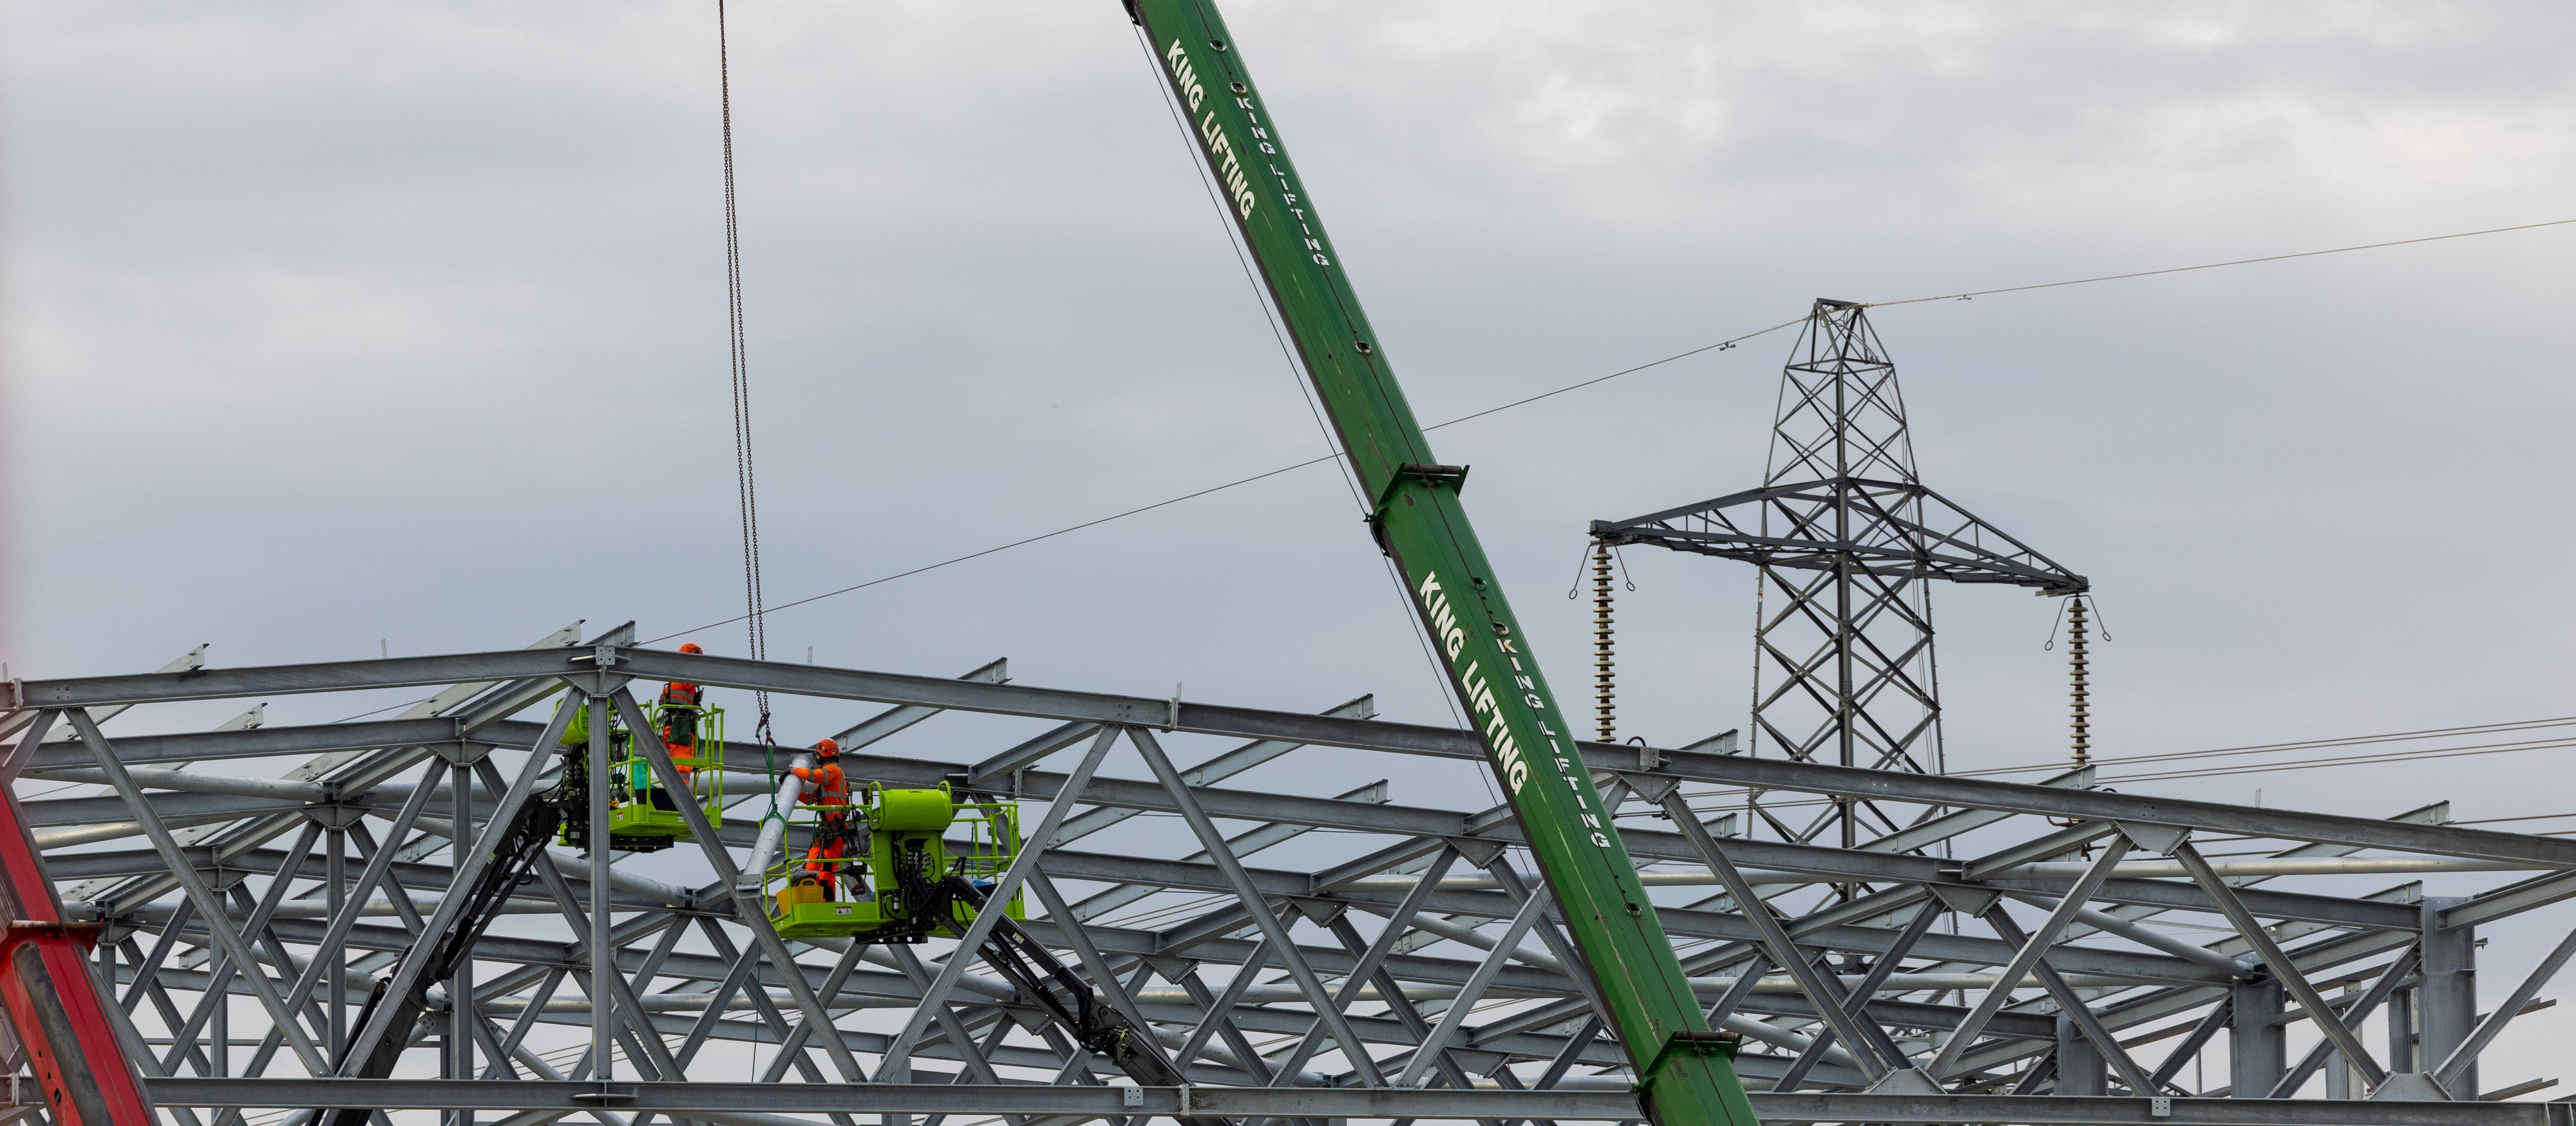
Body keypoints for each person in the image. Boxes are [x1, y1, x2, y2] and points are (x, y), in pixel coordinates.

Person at [793, 738, 857, 896]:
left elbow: (814, 776)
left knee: (826, 874)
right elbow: (809, 799)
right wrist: (794, 792)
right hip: (826, 833)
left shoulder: (833, 771)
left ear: (820, 756)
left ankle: (828, 905)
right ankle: (813, 901)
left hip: (835, 832)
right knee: (810, 870)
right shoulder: (827, 781)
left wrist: (793, 771)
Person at [658, 643, 708, 780]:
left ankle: (673, 789)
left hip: (671, 725)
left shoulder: (671, 682)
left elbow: (661, 701)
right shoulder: (685, 679)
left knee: (676, 758)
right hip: (681, 727)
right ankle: (679, 794)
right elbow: (696, 681)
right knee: (683, 762)